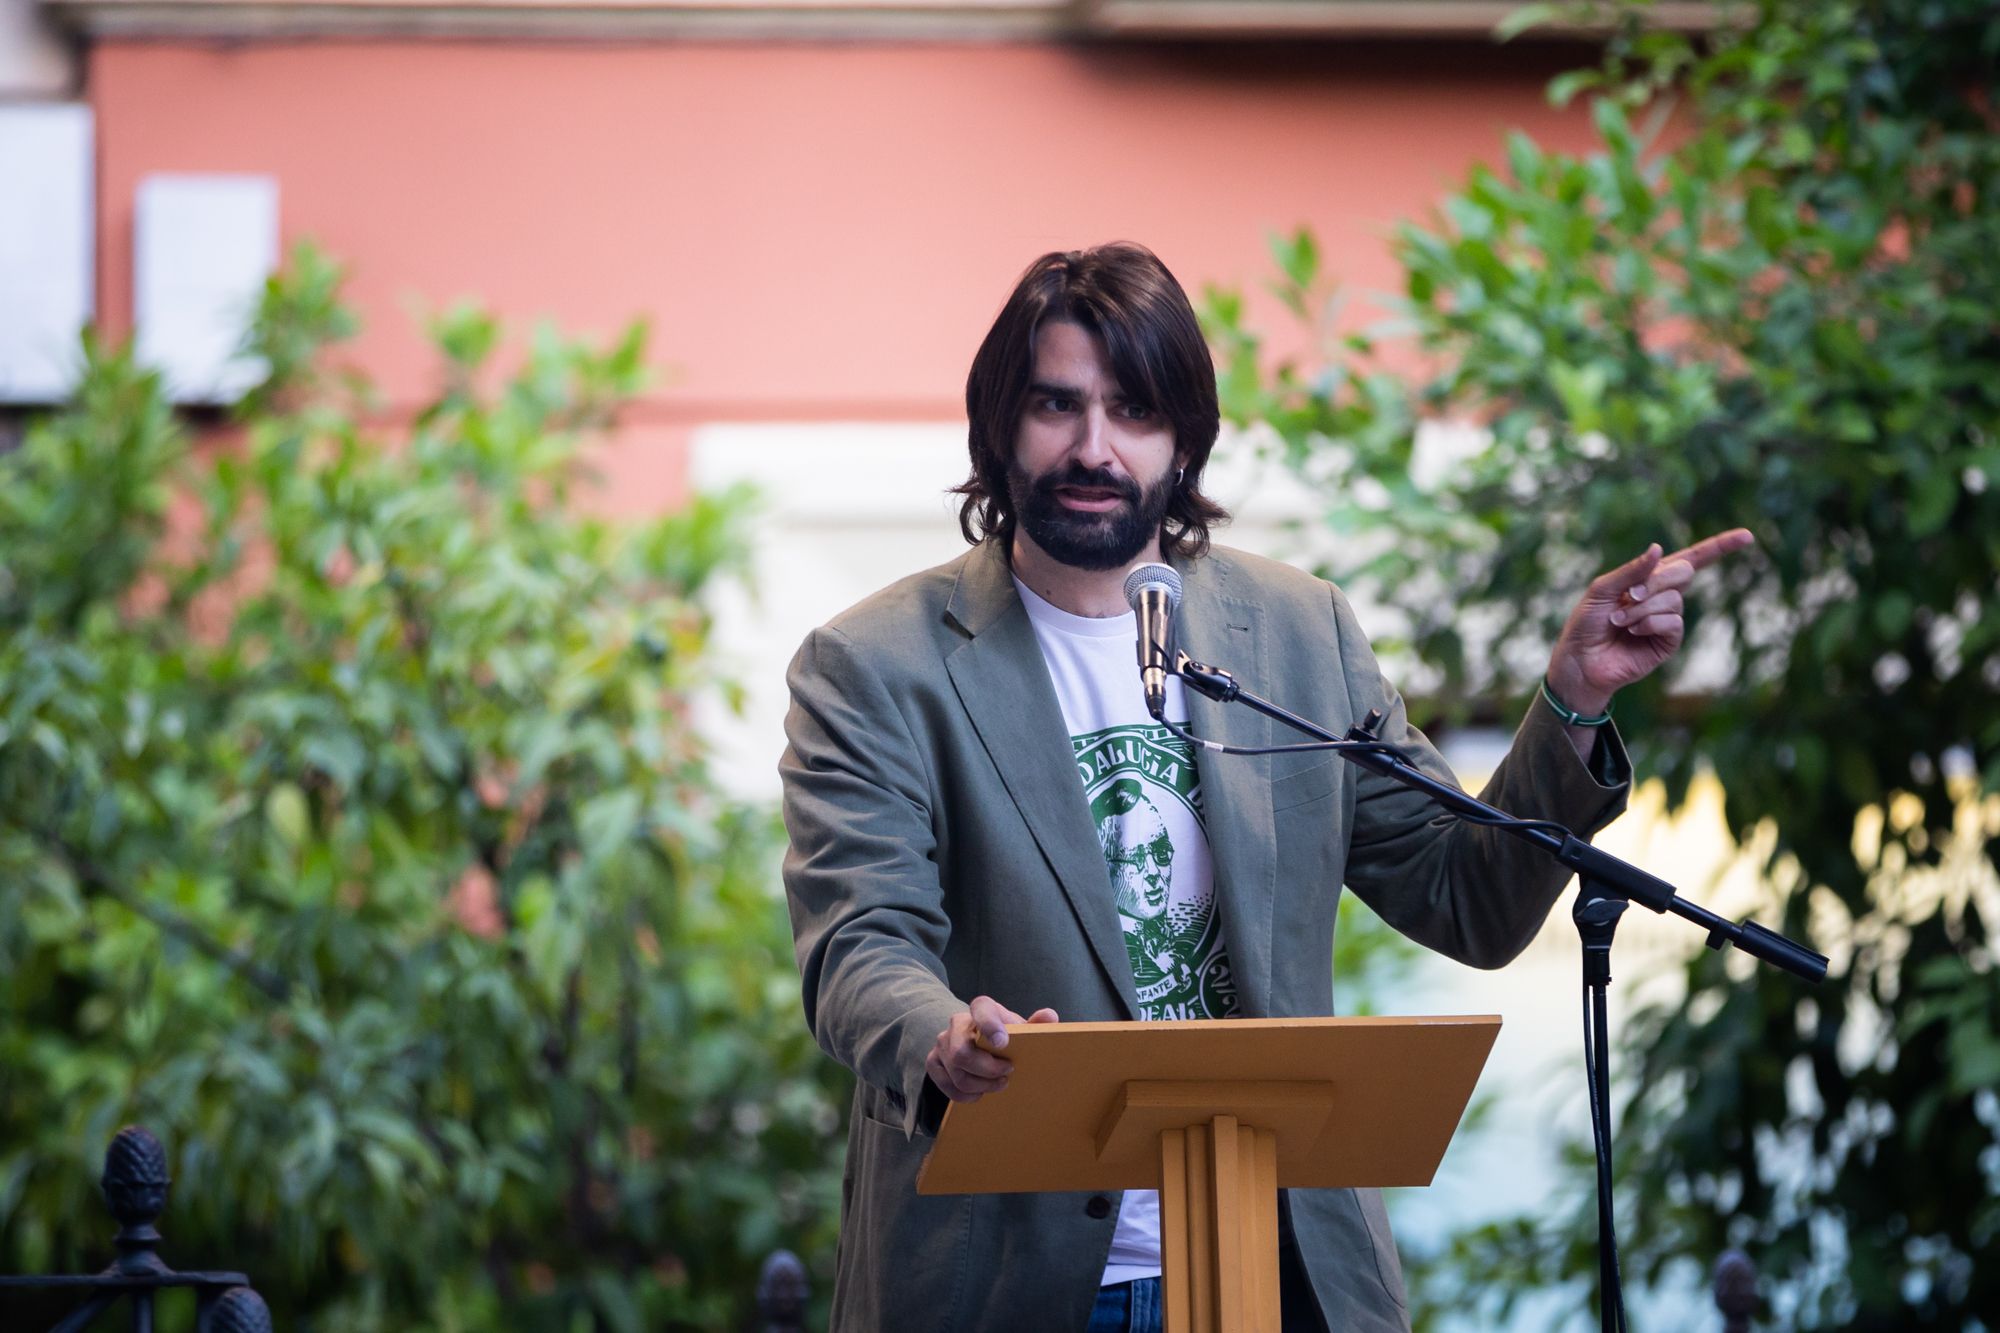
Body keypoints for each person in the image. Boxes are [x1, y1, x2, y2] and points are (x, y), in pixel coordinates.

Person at [779, 242, 1752, 1333]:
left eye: (1132, 411)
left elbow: (1464, 894)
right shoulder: (875, 664)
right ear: (997, 426)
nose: (1092, 448)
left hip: (1277, 1262)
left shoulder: (1296, 633)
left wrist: (1568, 701)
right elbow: (859, 941)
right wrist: (943, 1036)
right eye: (1055, 407)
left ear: (1183, 439)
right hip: (1007, 1276)